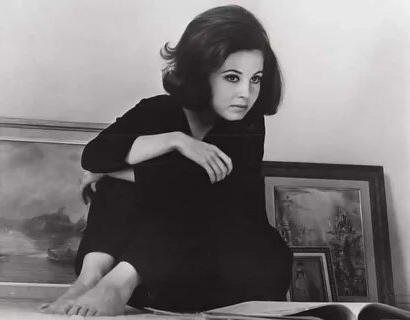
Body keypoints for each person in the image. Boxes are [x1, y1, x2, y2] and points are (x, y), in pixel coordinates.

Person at [41, 4, 292, 317]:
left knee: (179, 192)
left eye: (255, 79)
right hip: (164, 271)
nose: (246, 93)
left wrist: (115, 172)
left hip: (230, 269)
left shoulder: (247, 123)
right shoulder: (156, 111)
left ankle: (118, 282)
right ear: (201, 72)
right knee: (130, 179)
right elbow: (94, 154)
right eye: (232, 77)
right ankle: (90, 277)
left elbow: (202, 185)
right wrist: (175, 140)